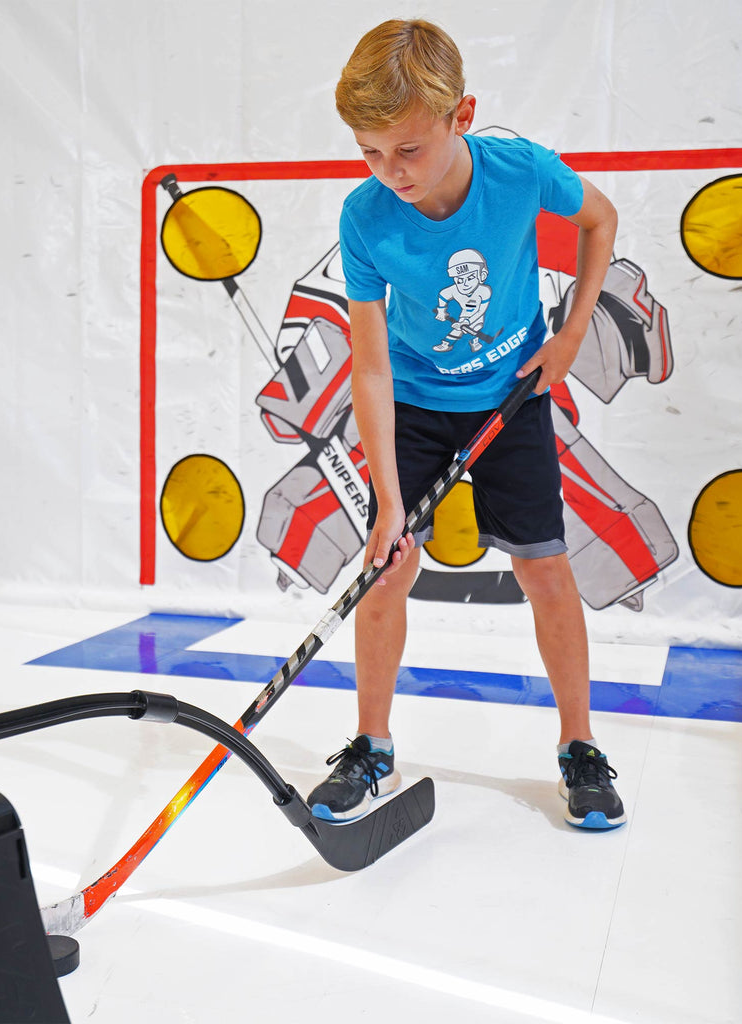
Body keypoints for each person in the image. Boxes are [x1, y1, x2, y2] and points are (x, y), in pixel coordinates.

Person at [306, 19, 626, 830]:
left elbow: (600, 220)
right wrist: (385, 502)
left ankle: (580, 749)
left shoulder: (520, 175)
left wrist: (573, 332)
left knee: (546, 571)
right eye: (370, 152)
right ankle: (372, 746)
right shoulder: (367, 217)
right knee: (386, 569)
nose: (390, 172)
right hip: (412, 403)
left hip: (510, 394)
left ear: (462, 115)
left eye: (407, 151)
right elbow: (371, 368)